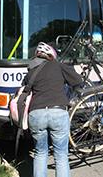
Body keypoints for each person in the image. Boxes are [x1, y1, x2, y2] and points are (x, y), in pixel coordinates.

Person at [23, 42, 82, 177]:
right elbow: (77, 80)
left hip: (36, 115)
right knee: (61, 155)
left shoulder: (30, 72)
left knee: (40, 152)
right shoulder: (58, 65)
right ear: (51, 55)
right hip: (58, 113)